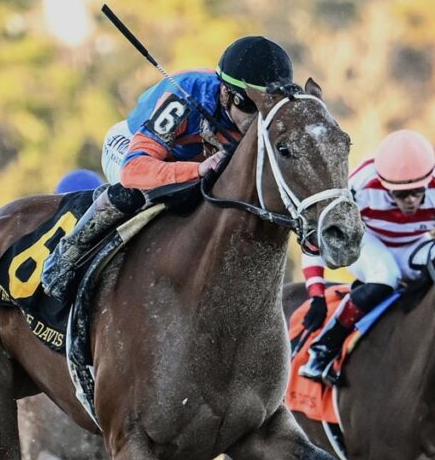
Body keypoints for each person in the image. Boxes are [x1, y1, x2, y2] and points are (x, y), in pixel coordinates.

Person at [40, 36, 294, 301]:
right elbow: (134, 170)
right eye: (249, 105)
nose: (257, 120)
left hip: (190, 160)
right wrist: (195, 171)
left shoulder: (267, 121)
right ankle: (65, 258)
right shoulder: (185, 96)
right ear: (225, 93)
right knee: (137, 193)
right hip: (132, 149)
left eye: (268, 107)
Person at [299, 129, 435, 384]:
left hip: (416, 243)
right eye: (400, 194)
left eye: (418, 191)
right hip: (369, 240)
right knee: (386, 274)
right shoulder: (359, 185)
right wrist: (316, 295)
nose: (411, 200)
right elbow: (316, 240)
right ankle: (324, 348)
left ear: (430, 179)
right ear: (383, 183)